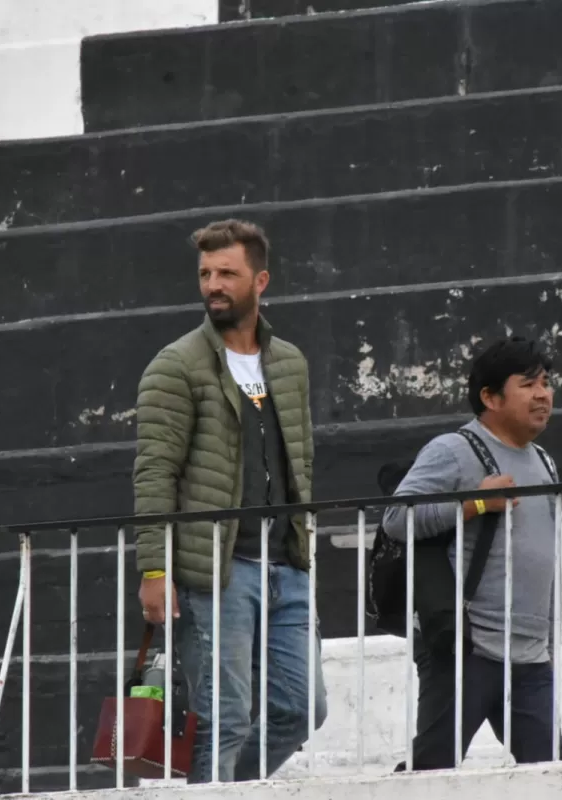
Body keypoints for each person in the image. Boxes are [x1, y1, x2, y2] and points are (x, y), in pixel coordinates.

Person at [133, 218, 327, 782]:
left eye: (227, 273)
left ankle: (228, 789)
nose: (213, 284)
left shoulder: (289, 363)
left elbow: (301, 463)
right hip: (216, 571)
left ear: (260, 280)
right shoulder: (176, 366)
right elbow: (154, 473)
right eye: (205, 274)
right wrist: (153, 568)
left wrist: (301, 547)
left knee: (303, 707)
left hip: (284, 567)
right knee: (225, 717)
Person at [382, 336, 562, 769]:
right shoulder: (454, 450)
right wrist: (475, 501)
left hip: (530, 655)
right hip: (467, 648)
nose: (543, 394)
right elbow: (395, 519)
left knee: (552, 776)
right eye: (528, 384)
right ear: (489, 396)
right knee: (433, 771)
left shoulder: (546, 461)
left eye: (546, 382)